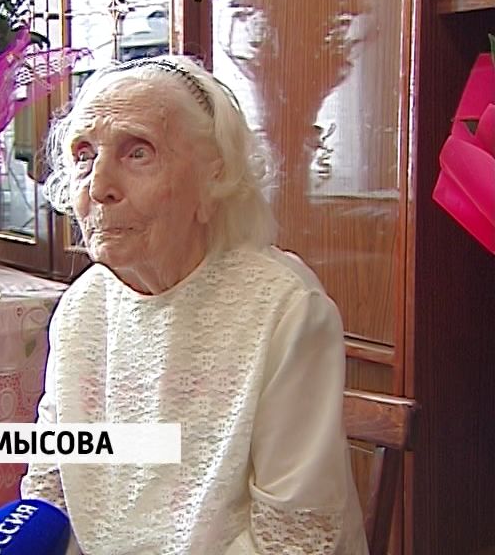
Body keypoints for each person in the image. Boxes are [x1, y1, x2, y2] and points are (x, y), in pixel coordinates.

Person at [21, 55, 368, 555]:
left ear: (214, 177)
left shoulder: (285, 309)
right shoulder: (83, 305)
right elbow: (50, 482)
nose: (98, 187)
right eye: (84, 154)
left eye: (137, 152)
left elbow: (292, 539)